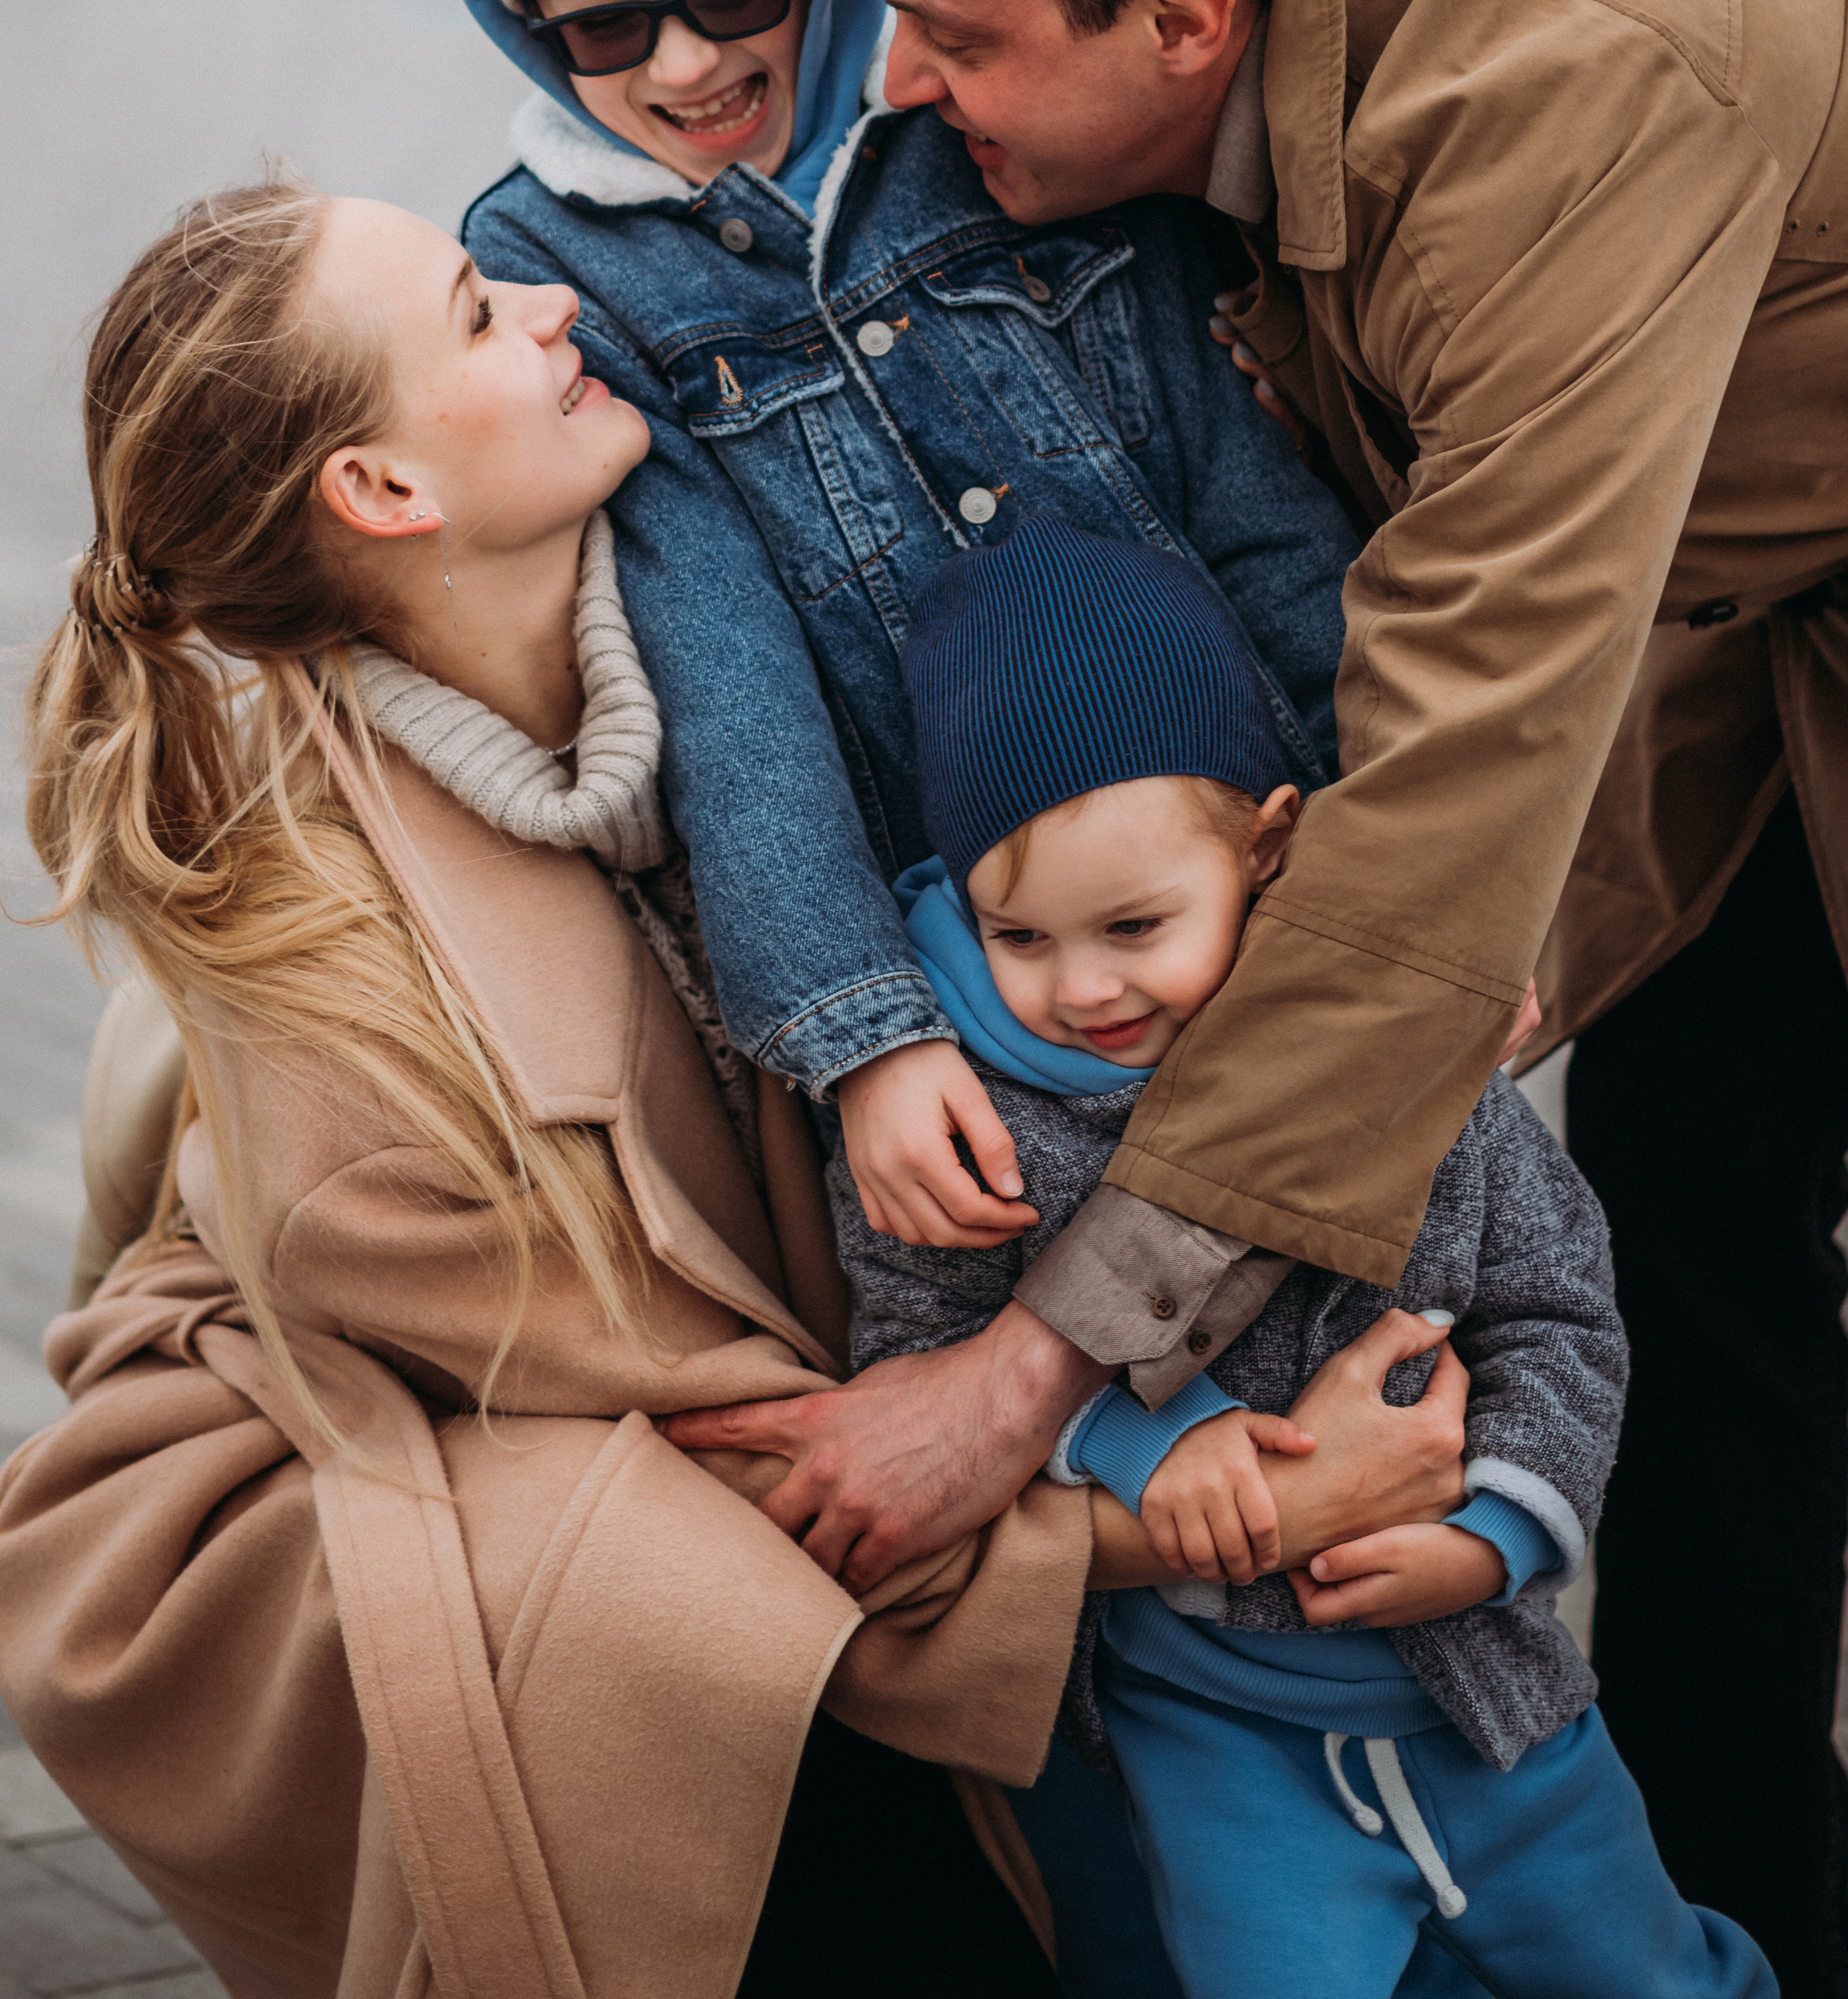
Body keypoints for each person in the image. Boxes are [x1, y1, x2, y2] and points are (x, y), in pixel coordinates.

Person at [673, 0, 1848, 1994]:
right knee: (1706, 1236)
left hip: (1749, 558)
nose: (888, 86)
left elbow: (1445, 783)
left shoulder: (1557, 100)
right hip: (1721, 578)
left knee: (1722, 1234)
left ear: (1186, 18)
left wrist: (1024, 1383)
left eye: (959, 35)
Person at [0, 176, 1169, 1998]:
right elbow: (785, 1486)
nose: (553, 312)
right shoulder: (358, 1020)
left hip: (864, 1448)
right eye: (478, 311)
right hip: (542, 1540)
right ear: (386, 498)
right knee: (749, 1773)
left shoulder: (733, 615)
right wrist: (1216, 1515)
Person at [830, 508, 1770, 1998]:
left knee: (1645, 1974)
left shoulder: (1406, 1062)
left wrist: (1495, 1536)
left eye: (1134, 924)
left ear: (1266, 847)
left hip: (1491, 1715)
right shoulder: (959, 1129)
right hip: (1217, 1754)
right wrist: (1153, 1444)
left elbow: (1556, 1314)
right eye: (1016, 937)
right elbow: (920, 1368)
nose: (1082, 990)